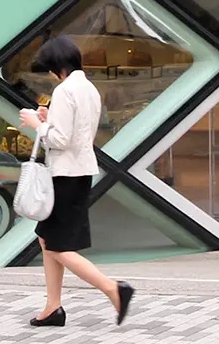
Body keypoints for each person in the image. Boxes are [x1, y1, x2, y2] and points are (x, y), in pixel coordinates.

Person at [17, 34, 135, 328]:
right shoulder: (89, 89)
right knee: (47, 239)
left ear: (57, 66)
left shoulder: (64, 90)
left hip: (65, 175)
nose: (50, 75)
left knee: (57, 245)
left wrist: (37, 125)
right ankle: (52, 307)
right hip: (80, 172)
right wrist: (48, 119)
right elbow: (76, 130)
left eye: (49, 69)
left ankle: (113, 289)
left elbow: (59, 139)